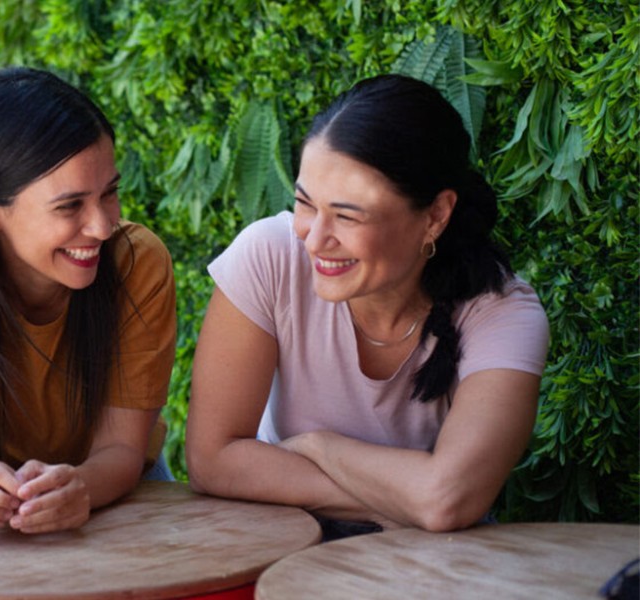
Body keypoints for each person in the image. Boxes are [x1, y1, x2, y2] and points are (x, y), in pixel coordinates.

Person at [186, 74, 549, 539]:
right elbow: (212, 460)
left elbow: (447, 498)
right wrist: (404, 498)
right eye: (305, 203)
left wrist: (321, 447)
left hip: (428, 566)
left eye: (348, 215)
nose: (314, 239)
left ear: (436, 215)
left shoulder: (501, 314)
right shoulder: (269, 256)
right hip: (283, 536)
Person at [0, 67, 177, 535]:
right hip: (5, 506)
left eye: (110, 193)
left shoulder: (136, 263)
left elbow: (124, 452)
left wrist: (79, 487)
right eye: (70, 207)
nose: (102, 226)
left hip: (126, 493)